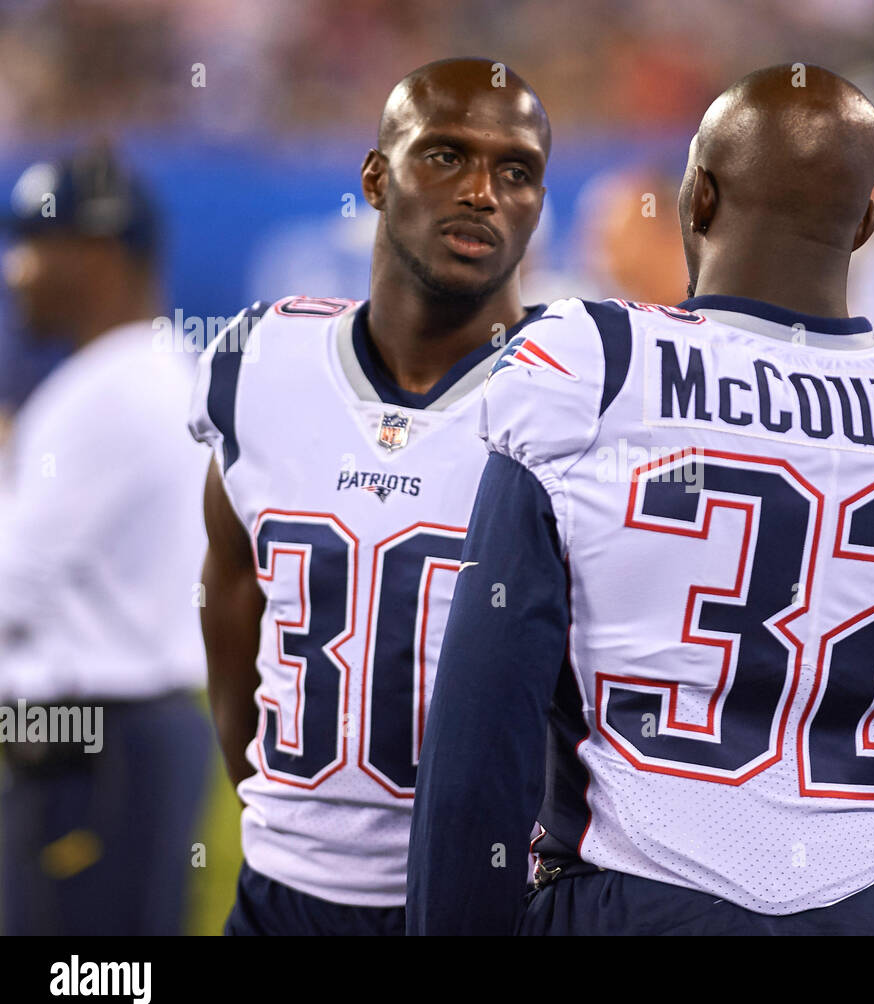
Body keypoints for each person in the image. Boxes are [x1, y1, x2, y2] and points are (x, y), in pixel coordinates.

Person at [407, 63, 874, 936]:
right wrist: (820, 777)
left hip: (627, 899)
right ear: (863, 224)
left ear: (699, 198)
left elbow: (479, 758)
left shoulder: (595, 363)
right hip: (855, 913)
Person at [189, 58, 550, 936]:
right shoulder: (260, 362)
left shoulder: (573, 388)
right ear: (376, 178)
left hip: (483, 899)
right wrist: (269, 799)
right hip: (279, 890)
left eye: (517, 171)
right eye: (446, 156)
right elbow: (234, 588)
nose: (482, 192)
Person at [0, 146, 212, 934]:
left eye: (30, 246)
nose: (15, 270)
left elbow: (10, 588)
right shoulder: (151, 369)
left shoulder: (105, 390)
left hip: (90, 743)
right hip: (116, 735)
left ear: (95, 253)